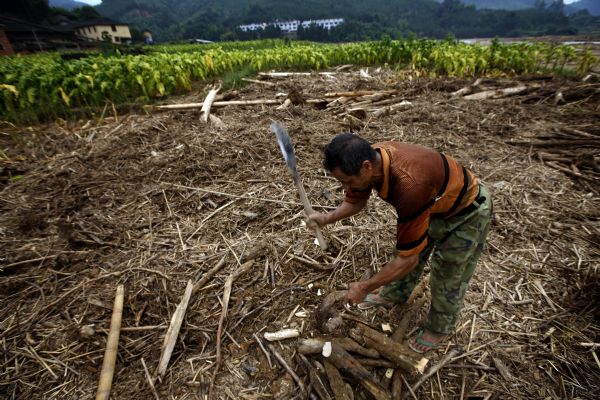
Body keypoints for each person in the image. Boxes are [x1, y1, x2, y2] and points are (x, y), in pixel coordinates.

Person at [307, 133, 492, 353]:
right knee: (405, 247)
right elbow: (356, 200)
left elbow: (408, 260)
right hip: (434, 203)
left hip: (466, 212)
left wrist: (364, 287)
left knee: (448, 272)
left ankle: (439, 327)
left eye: (347, 181)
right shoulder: (369, 159)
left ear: (366, 167)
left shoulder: (409, 185)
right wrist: (326, 218)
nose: (346, 186)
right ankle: (395, 293)